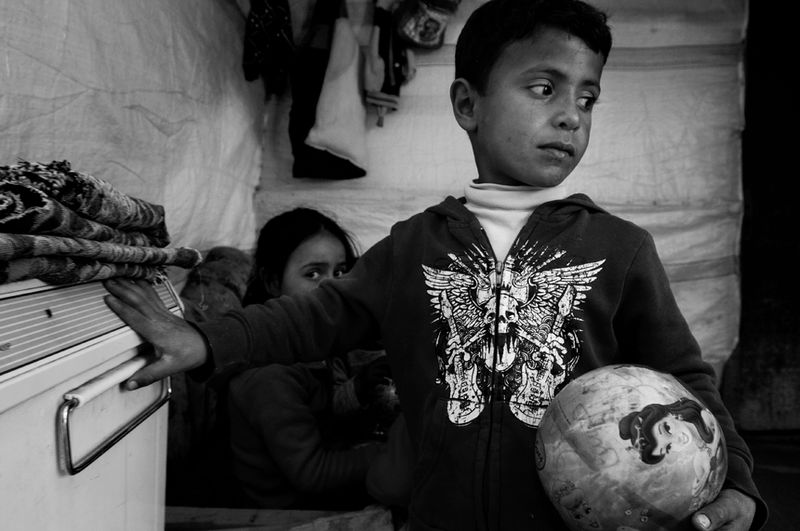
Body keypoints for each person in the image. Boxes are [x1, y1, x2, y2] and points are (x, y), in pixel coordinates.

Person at [103, 1, 767, 529]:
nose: (570, 115)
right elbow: (314, 319)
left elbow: (682, 375)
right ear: (467, 104)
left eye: (587, 97)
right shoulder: (416, 246)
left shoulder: (621, 248)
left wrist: (734, 478)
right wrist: (204, 340)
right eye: (543, 87)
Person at [229, 207, 394, 509]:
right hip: (292, 514)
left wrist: (358, 389)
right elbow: (312, 474)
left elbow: (321, 407)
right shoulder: (268, 375)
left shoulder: (318, 349)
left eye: (341, 272)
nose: (333, 286)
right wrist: (393, 452)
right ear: (272, 282)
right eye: (313, 273)